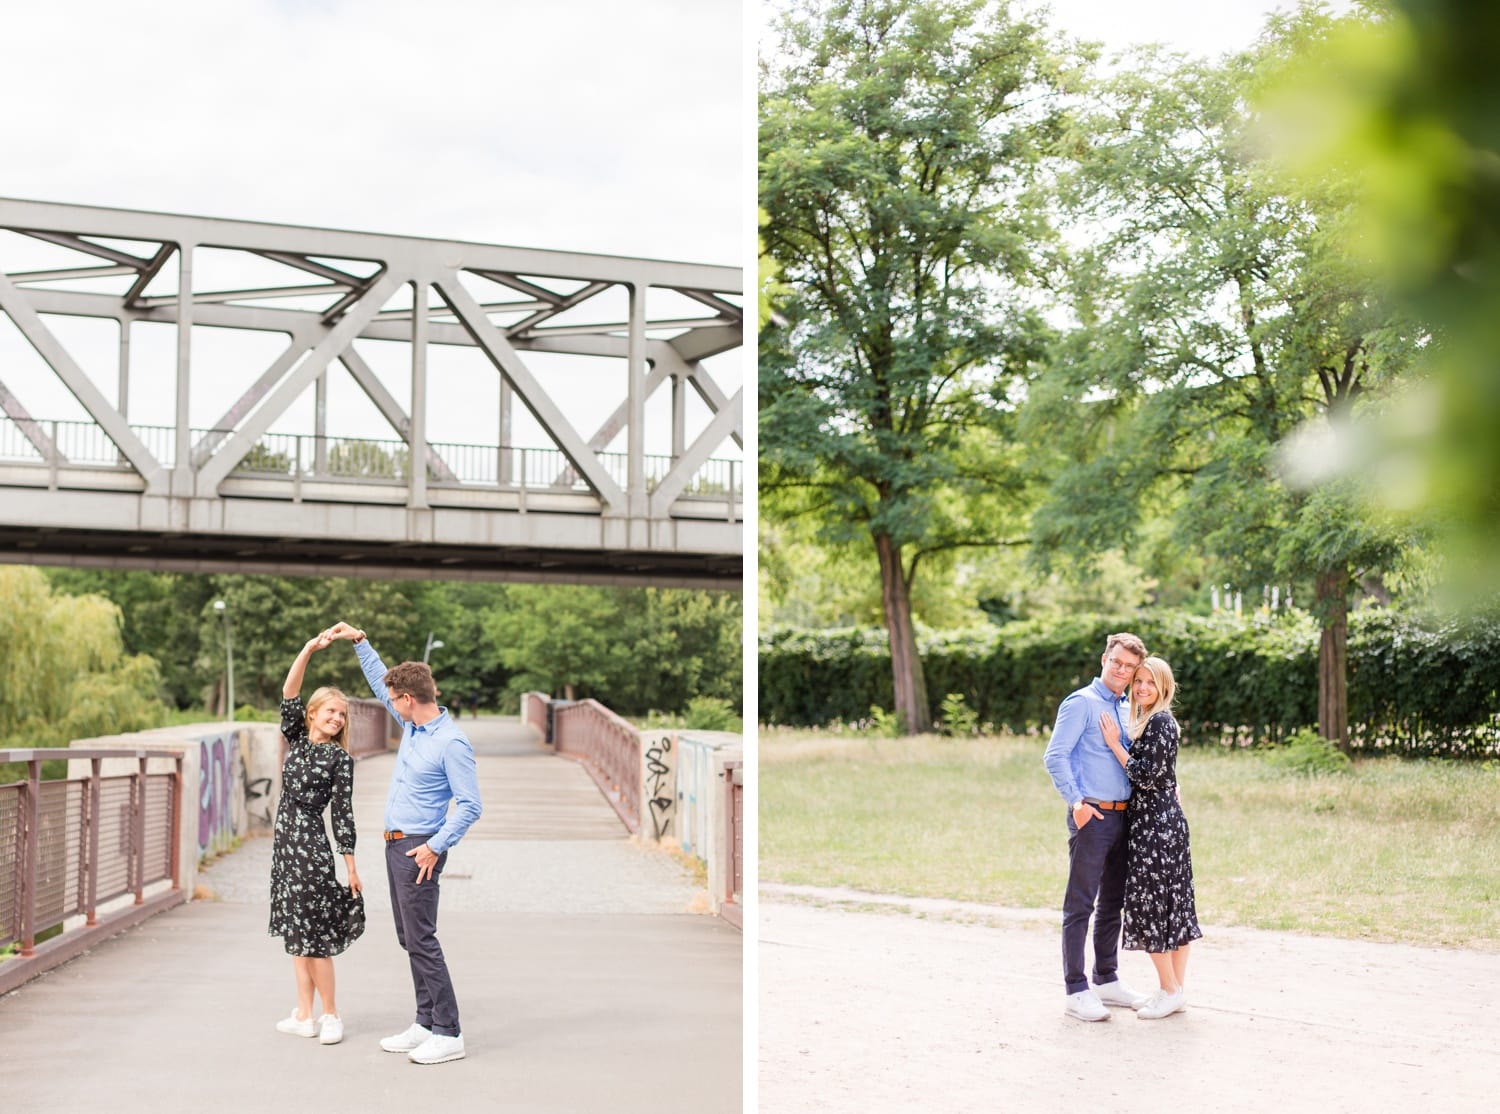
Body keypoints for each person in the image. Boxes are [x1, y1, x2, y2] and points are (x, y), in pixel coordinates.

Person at [323, 620, 482, 1066]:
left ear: (410, 700)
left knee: (422, 938)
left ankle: (449, 1032)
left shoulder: (452, 743)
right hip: (396, 845)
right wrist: (360, 642)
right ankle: (425, 1022)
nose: (391, 705)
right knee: (408, 937)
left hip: (419, 849)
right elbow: (379, 682)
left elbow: (470, 805)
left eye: (396, 701)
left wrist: (435, 845)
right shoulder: (413, 727)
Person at [1041, 632, 1152, 1021]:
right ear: (1104, 659)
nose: (1122, 670)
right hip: (1093, 816)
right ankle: (1076, 989)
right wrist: (1076, 802)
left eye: (1129, 666)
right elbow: (1055, 756)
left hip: (1125, 817)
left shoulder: (1129, 707)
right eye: (1116, 662)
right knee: (1081, 905)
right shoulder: (1081, 703)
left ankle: (1106, 978)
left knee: (1112, 905)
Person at [269, 632, 365, 1045]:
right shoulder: (296, 738)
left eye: (342, 715)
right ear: (311, 714)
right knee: (296, 931)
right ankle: (304, 1015)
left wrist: (351, 866)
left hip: (310, 847)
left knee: (316, 935)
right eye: (331, 711)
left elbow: (342, 813)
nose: (337, 719)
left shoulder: (340, 759)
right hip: (284, 848)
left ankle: (331, 1015)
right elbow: (290, 690)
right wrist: (308, 649)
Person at [1099, 655, 1202, 1020]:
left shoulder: (1159, 722)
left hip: (1155, 829)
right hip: (1163, 824)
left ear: (1164, 687)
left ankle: (1171, 989)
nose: (1141, 687)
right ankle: (1172, 991)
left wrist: (1114, 744)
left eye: (1150, 682)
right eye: (1138, 681)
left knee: (1153, 907)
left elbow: (1145, 775)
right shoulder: (1151, 721)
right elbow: (1165, 774)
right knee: (1173, 907)